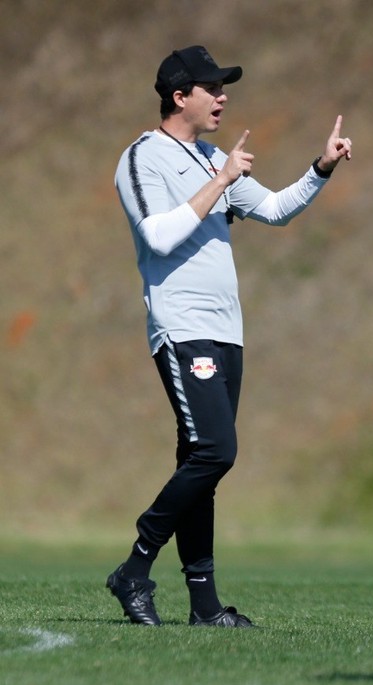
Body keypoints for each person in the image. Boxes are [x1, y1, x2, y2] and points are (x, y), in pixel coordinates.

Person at [108, 45, 352, 627]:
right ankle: (135, 568)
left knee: (202, 464)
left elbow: (272, 209)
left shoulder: (211, 157)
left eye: (224, 87)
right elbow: (159, 236)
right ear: (178, 96)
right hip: (182, 328)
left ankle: (204, 607)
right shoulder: (144, 157)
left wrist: (320, 168)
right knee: (218, 452)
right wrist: (219, 180)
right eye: (211, 87)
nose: (222, 97)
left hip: (226, 333)